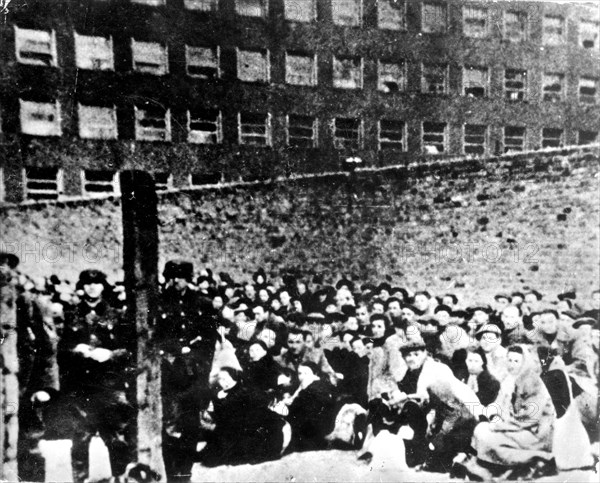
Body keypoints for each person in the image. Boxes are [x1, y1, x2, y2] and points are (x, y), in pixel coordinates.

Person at [59, 269, 135, 483]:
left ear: (103, 286)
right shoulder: (71, 314)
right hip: (81, 385)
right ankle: (80, 479)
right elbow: (61, 349)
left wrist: (110, 354)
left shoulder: (117, 314)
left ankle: (120, 478)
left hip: (109, 385)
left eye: (97, 283)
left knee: (117, 437)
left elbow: (129, 350)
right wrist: (76, 350)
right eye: (87, 283)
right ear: (82, 287)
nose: (92, 287)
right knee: (80, 437)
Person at [467, 345, 557, 480]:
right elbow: (501, 404)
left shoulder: (533, 382)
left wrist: (500, 427)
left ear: (524, 363)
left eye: (516, 361)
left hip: (535, 433)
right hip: (516, 427)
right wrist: (493, 415)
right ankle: (503, 467)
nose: (512, 365)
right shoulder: (513, 379)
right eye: (509, 360)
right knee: (481, 430)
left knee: (487, 437)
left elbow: (528, 418)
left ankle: (538, 459)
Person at [198, 367, 288, 467]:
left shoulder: (242, 392)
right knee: (207, 454)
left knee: (212, 458)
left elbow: (236, 421)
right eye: (220, 379)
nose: (223, 382)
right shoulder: (219, 394)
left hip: (247, 432)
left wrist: (213, 426)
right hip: (231, 431)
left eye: (226, 378)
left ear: (234, 378)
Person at [285, 362, 337, 451]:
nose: (302, 376)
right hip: (309, 425)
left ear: (315, 374)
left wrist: (292, 400)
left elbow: (299, 409)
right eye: (300, 373)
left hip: (314, 429)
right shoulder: (306, 386)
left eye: (306, 373)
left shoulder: (316, 387)